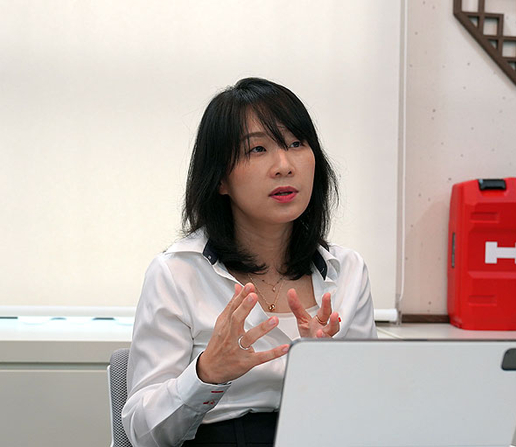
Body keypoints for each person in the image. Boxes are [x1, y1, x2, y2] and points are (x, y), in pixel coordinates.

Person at [122, 77, 378, 447]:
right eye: (257, 149)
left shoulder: (349, 270)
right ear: (220, 179)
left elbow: (369, 415)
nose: (284, 165)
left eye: (296, 143)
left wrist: (327, 372)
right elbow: (143, 434)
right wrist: (206, 373)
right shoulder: (177, 273)